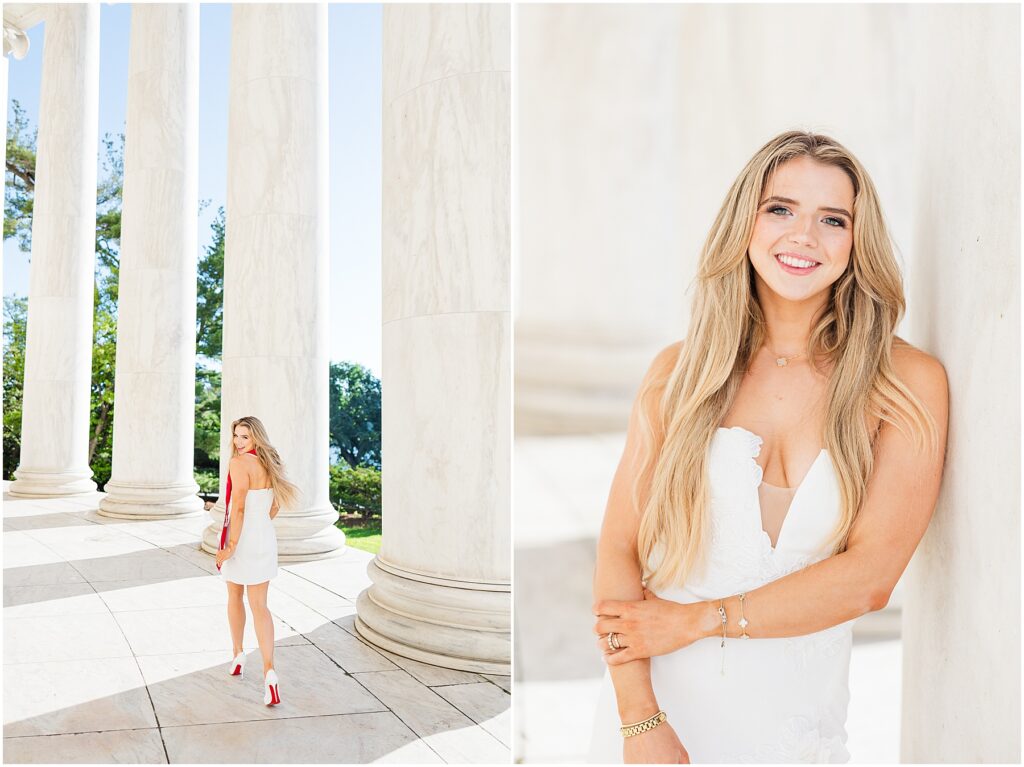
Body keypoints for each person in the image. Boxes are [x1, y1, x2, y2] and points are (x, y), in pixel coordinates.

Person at [587, 131, 949, 763]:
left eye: (832, 219)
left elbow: (870, 579)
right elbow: (619, 548)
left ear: (856, 244)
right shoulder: (681, 372)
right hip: (658, 718)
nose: (803, 236)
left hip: (795, 724)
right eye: (780, 209)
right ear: (744, 223)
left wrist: (695, 621)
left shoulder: (906, 382)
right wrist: (639, 721)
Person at [216, 415, 299, 707]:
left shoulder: (239, 464)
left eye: (244, 437)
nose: (238, 443)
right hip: (264, 534)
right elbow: (275, 504)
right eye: (236, 436)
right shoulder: (270, 462)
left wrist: (230, 547)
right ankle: (269, 672)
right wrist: (260, 525)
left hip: (243, 537)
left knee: (234, 595)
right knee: (260, 605)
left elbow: (237, 507)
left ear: (256, 438)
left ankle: (238, 654)